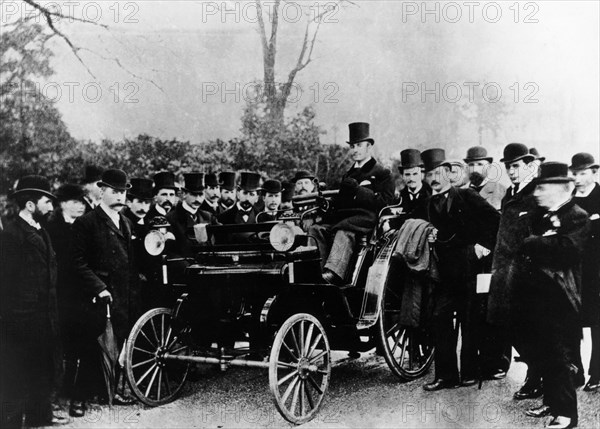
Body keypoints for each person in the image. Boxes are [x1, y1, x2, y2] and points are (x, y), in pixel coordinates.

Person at [410, 149, 500, 391]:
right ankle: (446, 376)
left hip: (469, 265)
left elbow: (494, 218)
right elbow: (410, 221)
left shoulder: (465, 196)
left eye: (440, 172)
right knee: (439, 317)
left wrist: (483, 246)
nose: (434, 177)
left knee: (470, 320)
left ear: (449, 174)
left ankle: (469, 372)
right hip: (444, 271)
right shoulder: (428, 204)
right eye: (430, 173)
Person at [518, 162, 589, 428]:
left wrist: (535, 243)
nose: (536, 193)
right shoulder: (542, 215)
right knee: (544, 352)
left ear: (563, 189)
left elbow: (568, 249)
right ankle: (552, 403)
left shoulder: (576, 216)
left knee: (559, 356)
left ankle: (567, 415)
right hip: (537, 297)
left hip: (561, 299)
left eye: (542, 187)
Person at [0, 175, 67, 427]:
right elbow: (5, 281)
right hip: (21, 320)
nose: (51, 207)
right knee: (16, 376)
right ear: (30, 205)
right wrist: (14, 318)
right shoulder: (12, 235)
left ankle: (40, 419)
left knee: (42, 370)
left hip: (44, 317)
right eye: (47, 202)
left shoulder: (41, 231)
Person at [71, 169, 139, 414]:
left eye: (123, 192)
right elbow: (77, 262)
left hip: (122, 294)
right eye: (115, 191)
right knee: (91, 347)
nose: (120, 196)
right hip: (97, 297)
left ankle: (109, 391)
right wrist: (98, 287)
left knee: (118, 344)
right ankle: (78, 398)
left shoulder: (127, 223)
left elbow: (131, 262)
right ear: (102, 191)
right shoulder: (87, 222)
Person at [488, 143, 543, 400]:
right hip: (504, 272)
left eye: (516, 166)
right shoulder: (509, 195)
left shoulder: (535, 196)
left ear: (529, 166)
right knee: (510, 327)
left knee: (529, 328)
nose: (511, 171)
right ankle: (538, 374)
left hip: (526, 274)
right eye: (508, 167)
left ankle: (536, 379)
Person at [309, 122, 395, 286]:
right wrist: (327, 205)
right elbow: (342, 203)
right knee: (316, 229)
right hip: (346, 217)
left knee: (344, 230)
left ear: (369, 146)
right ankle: (316, 272)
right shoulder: (348, 174)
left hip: (366, 219)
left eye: (359, 145)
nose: (355, 150)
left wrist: (359, 191)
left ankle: (333, 273)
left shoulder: (382, 173)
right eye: (352, 146)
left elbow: (385, 202)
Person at [45, 184, 87, 407]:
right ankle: (59, 389)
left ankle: (75, 389)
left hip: (80, 293)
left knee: (78, 342)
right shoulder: (51, 228)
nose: (80, 206)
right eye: (74, 202)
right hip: (60, 293)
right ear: (61, 204)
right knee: (60, 341)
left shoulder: (83, 227)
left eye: (82, 202)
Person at [569, 152, 600, 392]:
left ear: (594, 173)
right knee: (571, 322)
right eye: (575, 173)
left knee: (597, 322)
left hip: (596, 271)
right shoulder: (570, 199)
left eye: (582, 173)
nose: (578, 178)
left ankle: (597, 372)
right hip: (572, 270)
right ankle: (575, 371)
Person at [121, 178, 157, 308]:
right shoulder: (122, 224)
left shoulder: (151, 224)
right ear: (129, 203)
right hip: (130, 282)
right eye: (140, 202)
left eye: (147, 203)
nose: (144, 207)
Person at [167, 172, 217, 257]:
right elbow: (170, 253)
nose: (197, 199)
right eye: (193, 194)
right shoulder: (170, 219)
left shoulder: (208, 217)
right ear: (184, 194)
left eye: (200, 194)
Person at [464, 146, 506, 211]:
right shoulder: (460, 193)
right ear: (467, 168)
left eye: (480, 164)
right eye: (471, 165)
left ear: (488, 167)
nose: (475, 169)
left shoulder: (500, 190)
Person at [397, 148, 431, 214]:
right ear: (402, 176)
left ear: (422, 175)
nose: (411, 178)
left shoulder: (431, 194)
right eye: (407, 174)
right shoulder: (399, 198)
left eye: (415, 174)